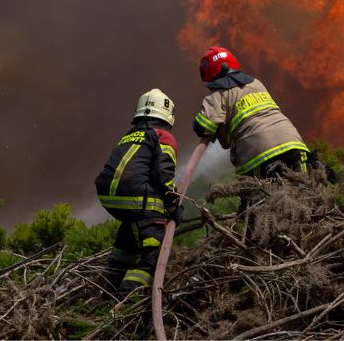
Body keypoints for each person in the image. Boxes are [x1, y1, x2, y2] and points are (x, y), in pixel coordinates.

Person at [93, 88, 181, 298]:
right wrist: (173, 206)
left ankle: (105, 293)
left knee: (129, 244)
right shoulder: (164, 136)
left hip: (110, 197)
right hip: (135, 198)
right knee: (155, 255)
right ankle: (127, 300)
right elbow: (163, 175)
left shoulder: (129, 136)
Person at [191, 46, 311, 178]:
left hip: (257, 155)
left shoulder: (216, 96)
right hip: (293, 144)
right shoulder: (256, 83)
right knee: (305, 191)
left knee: (262, 197)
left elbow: (202, 127)